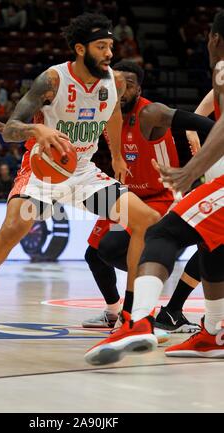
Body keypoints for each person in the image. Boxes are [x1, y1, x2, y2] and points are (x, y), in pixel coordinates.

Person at [0, 12, 161, 345]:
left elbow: (114, 116)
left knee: (147, 220)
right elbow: (11, 130)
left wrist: (117, 156)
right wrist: (38, 128)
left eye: (110, 46)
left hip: (84, 174)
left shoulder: (110, 83)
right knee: (14, 228)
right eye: (101, 46)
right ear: (79, 49)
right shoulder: (53, 80)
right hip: (43, 172)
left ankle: (132, 316)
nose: (109, 54)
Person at [85, 10, 224, 365]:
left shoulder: (155, 110)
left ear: (214, 38)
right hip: (133, 194)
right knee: (212, 246)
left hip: (163, 193)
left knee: (162, 234)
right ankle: (213, 331)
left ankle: (141, 319)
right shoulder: (107, 111)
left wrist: (193, 166)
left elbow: (206, 122)